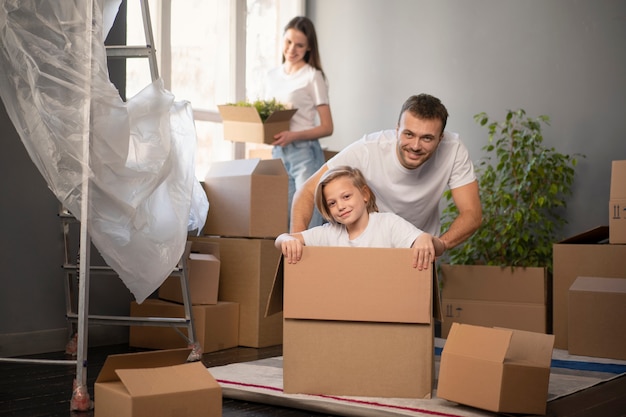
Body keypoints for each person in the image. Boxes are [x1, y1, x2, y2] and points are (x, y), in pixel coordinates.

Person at [290, 93, 482, 263]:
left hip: (420, 250)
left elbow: (471, 213)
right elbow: (307, 191)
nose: (415, 145)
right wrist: (295, 246)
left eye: (427, 138)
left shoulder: (453, 149)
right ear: (397, 128)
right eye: (408, 134)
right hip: (371, 249)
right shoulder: (367, 150)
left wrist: (438, 245)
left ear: (440, 139)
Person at [275, 166, 445, 270]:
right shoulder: (329, 233)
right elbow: (282, 239)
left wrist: (425, 238)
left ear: (364, 194)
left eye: (346, 197)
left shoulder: (388, 224)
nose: (340, 206)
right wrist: (286, 240)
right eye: (332, 203)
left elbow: (438, 248)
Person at [265, 16, 334, 229]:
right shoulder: (271, 76)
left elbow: (327, 126)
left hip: (305, 154)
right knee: (286, 224)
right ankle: (290, 264)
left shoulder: (313, 77)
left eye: (299, 45)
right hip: (278, 153)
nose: (292, 49)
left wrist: (293, 136)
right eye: (288, 42)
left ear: (309, 48)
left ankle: (312, 264)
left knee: (307, 223)